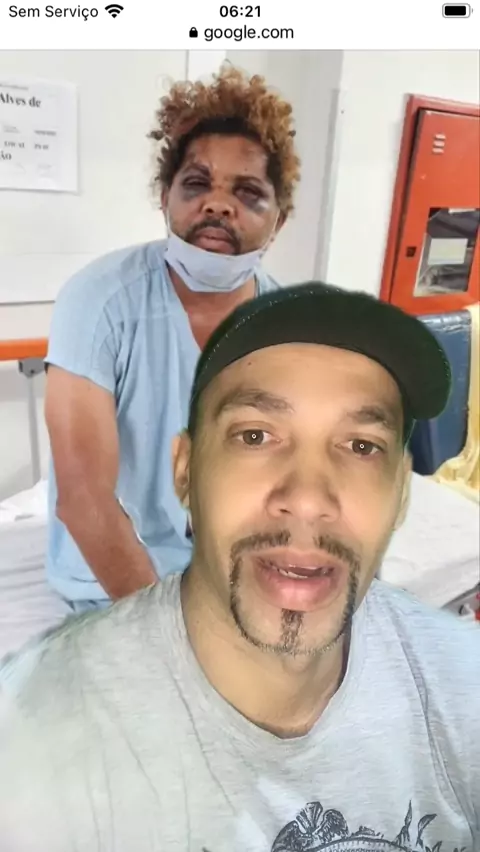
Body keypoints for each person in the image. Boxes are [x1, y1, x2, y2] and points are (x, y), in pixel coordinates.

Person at [1, 283, 478, 852]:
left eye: (360, 446)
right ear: (185, 471)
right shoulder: (36, 742)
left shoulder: (462, 685)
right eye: (256, 436)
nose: (308, 498)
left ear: (401, 492)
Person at [44, 65, 300, 611]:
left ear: (279, 221)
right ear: (165, 197)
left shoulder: (287, 328)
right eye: (197, 183)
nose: (218, 205)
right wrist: (166, 632)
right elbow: (84, 499)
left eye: (248, 192)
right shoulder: (100, 302)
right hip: (113, 586)